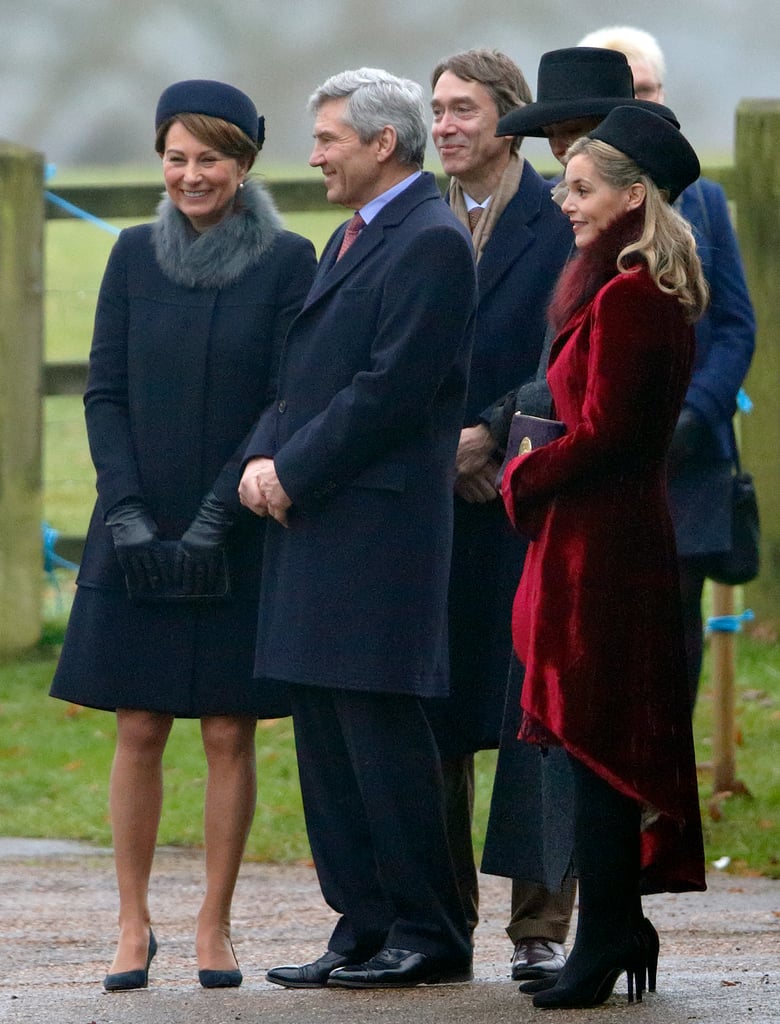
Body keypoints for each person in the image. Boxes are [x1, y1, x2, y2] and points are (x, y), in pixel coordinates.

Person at [49, 79, 317, 991]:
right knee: (137, 722)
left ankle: (213, 925)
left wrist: (214, 519)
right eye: (177, 157)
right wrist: (124, 513)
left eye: (210, 158)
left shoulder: (289, 261)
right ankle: (132, 926)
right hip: (132, 523)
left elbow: (287, 396)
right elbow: (105, 390)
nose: (191, 174)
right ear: (160, 162)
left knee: (229, 731)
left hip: (235, 524)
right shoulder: (131, 255)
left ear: (244, 165)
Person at [238, 67, 477, 990]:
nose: (316, 154)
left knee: (380, 734)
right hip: (317, 528)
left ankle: (429, 929)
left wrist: (291, 469)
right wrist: (263, 461)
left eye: (330, 137)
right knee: (325, 736)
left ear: (384, 143)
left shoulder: (429, 241)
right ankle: (363, 921)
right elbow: (302, 378)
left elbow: (389, 391)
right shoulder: (349, 237)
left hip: (377, 535)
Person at [476, 45, 680, 984]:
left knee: (597, 744)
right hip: (585, 541)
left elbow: (605, 432)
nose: (564, 198)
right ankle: (616, 931)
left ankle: (603, 938)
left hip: (607, 547)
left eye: (582, 184)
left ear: (632, 197)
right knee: (585, 742)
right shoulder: (608, 286)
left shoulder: (636, 297)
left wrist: (522, 473)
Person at [425, 48, 575, 983]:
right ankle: (441, 917)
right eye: (436, 108)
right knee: (434, 709)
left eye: (463, 108)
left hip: (526, 499)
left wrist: (490, 436)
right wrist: (441, 453)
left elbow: (568, 347)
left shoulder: (557, 215)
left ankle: (538, 925)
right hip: (431, 506)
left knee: (531, 712)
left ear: (510, 118)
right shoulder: (419, 215)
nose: (444, 124)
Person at [577, 26, 756, 708]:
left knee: (674, 644)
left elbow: (736, 326)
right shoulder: (566, 208)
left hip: (689, 460)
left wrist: (690, 415)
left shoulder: (704, 202)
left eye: (648, 92)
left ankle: (665, 801)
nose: (639, 111)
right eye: (621, 99)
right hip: (599, 456)